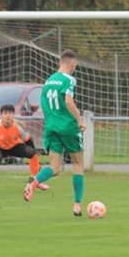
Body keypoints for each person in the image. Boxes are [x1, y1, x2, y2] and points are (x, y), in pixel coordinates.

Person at [23, 49, 87, 216]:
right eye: (75, 66)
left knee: (55, 167)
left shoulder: (48, 81)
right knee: (78, 164)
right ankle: (77, 205)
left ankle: (34, 181)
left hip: (51, 127)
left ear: (60, 62)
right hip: (67, 127)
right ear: (72, 64)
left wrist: (52, 120)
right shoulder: (69, 79)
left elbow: (44, 105)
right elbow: (68, 101)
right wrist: (79, 119)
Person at [0, 103, 49, 196]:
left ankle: (36, 182)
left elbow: (28, 141)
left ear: (14, 115)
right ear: (1, 115)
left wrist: (33, 153)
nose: (8, 116)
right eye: (5, 113)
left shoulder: (18, 127)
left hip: (14, 146)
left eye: (10, 113)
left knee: (33, 153)